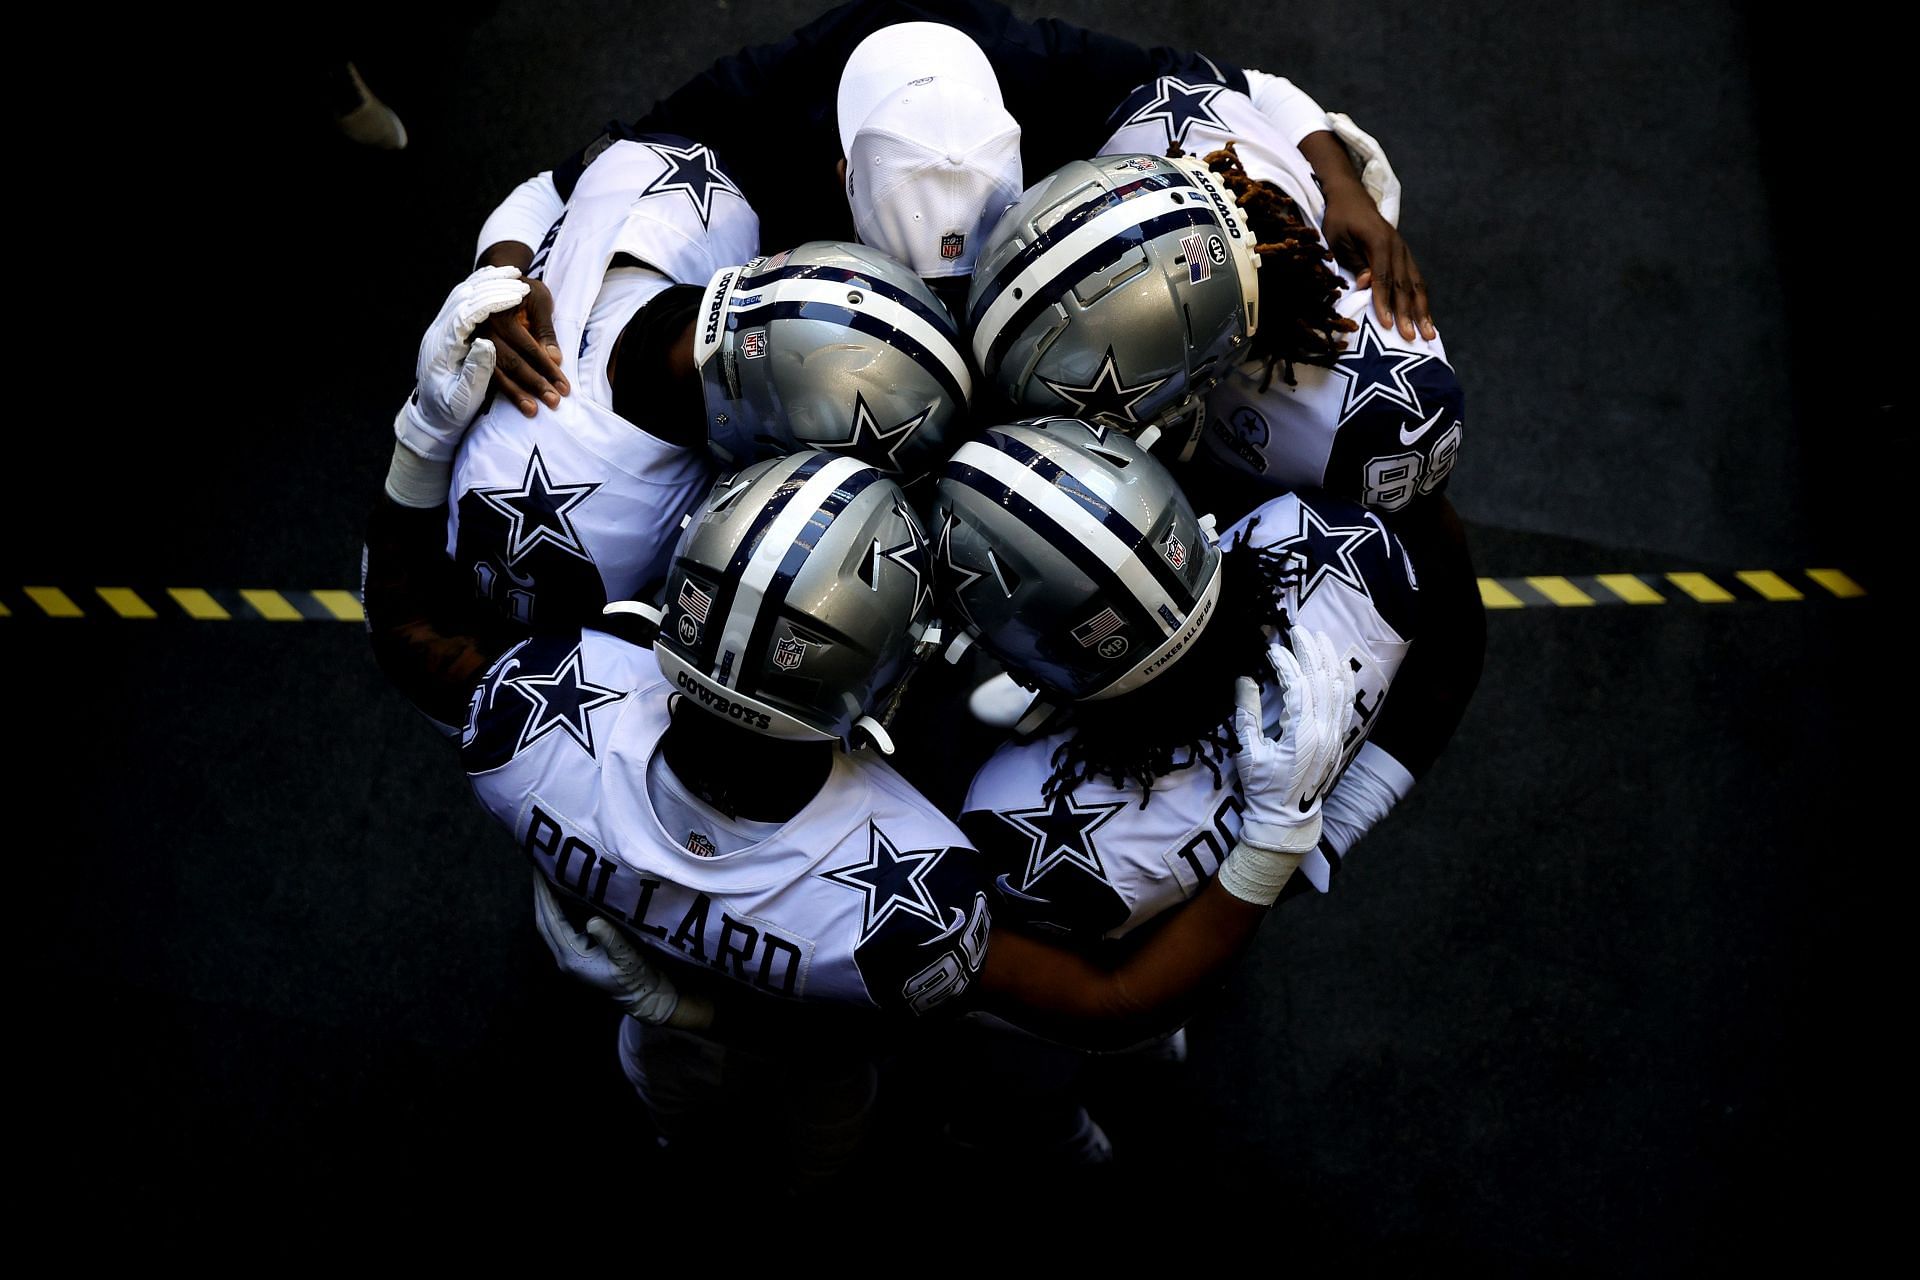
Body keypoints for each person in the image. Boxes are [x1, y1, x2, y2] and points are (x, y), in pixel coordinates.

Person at [364, 294, 1353, 1177]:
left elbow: (407, 634)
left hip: (654, 1016)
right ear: (878, 700)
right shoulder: (913, 894)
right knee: (827, 1120)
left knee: (672, 1095)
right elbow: (1112, 1004)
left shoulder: (528, 722)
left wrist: (425, 430)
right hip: (824, 1049)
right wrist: (1274, 834)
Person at [471, 2, 1428, 414]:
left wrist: (1338, 182)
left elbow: (1251, 86)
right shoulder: (761, 97)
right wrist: (498, 282)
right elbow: (549, 189)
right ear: (837, 171)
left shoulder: (1043, 63)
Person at [930, 416, 1411, 1155]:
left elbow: (1099, 1002)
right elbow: (1449, 666)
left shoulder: (1015, 815)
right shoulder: (1337, 547)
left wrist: (1279, 845)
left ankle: (1050, 1132)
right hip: (1205, 927)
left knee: (1026, 1062)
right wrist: (1313, 833)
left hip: (1107, 971)